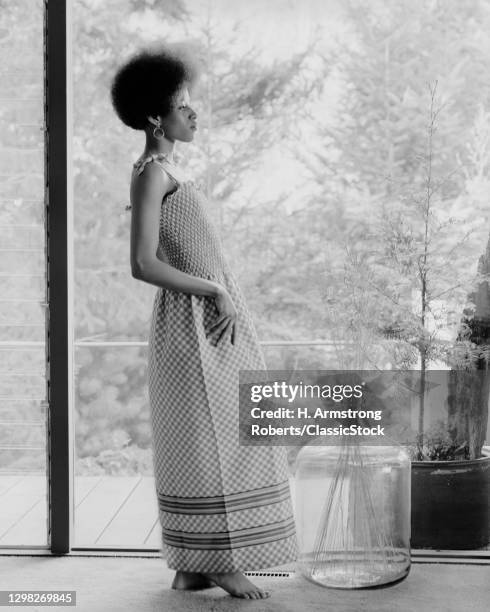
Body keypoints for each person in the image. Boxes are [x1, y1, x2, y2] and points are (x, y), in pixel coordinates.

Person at [110, 46, 297, 600]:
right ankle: (218, 559)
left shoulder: (169, 170)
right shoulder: (151, 177)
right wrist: (215, 290)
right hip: (191, 328)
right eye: (183, 106)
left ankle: (192, 563)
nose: (194, 115)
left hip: (213, 325)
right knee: (206, 440)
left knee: (228, 433)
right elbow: (143, 264)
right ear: (154, 118)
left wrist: (224, 294)